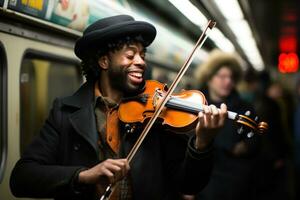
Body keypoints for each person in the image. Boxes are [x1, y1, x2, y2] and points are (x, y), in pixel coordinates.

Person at [10, 15, 227, 200]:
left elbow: (188, 184)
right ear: (104, 62)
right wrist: (83, 175)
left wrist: (202, 143)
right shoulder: (65, 112)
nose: (141, 61)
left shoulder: (155, 114)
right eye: (131, 55)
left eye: (142, 55)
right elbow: (22, 177)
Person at [195, 50, 260, 200]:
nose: (228, 81)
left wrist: (247, 146)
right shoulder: (195, 104)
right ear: (209, 78)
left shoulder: (245, 107)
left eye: (231, 77)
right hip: (205, 180)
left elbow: (255, 139)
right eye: (222, 76)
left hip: (234, 180)